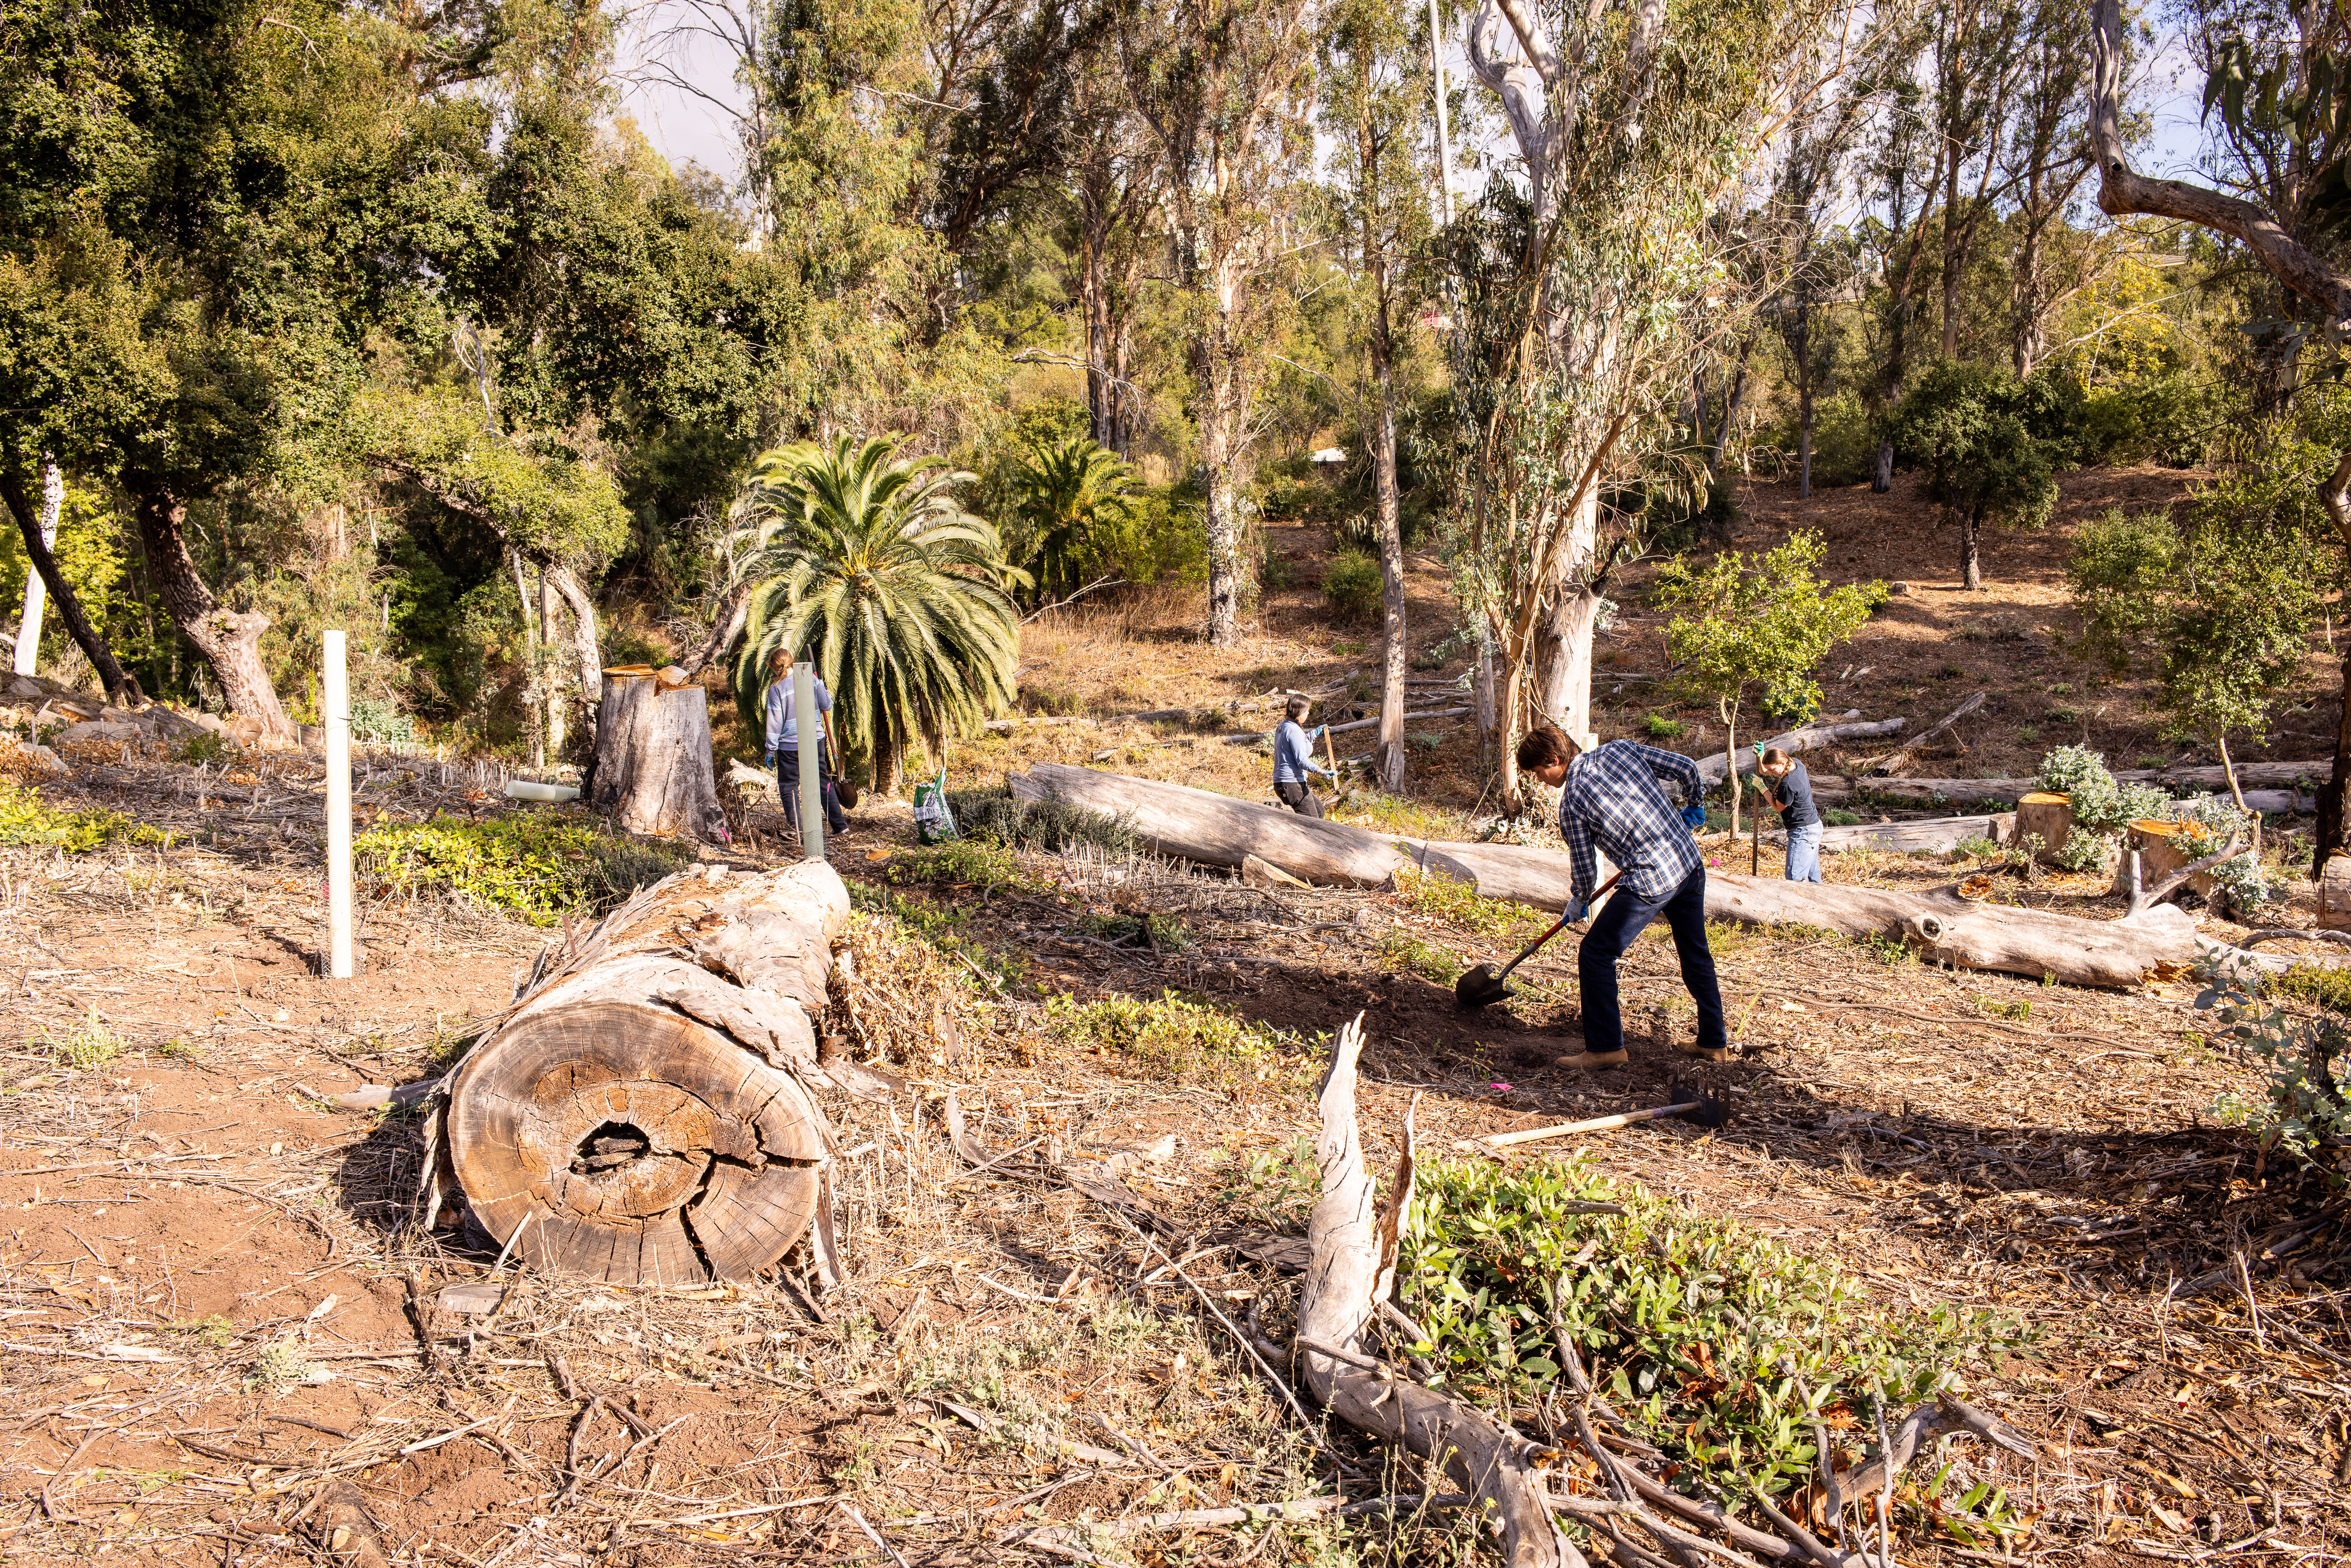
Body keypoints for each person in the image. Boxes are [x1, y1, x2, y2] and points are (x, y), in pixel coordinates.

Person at [1517, 725, 1729, 1069]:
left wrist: (1579, 900)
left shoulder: (1572, 803)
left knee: (1596, 953)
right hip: (1688, 864)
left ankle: (1605, 1048)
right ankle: (1714, 1042)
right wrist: (1695, 804)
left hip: (1651, 879)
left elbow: (1586, 871)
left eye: (1540, 772)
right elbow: (1688, 768)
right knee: (1696, 952)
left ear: (1554, 760)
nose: (1542, 780)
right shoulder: (1623, 750)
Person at [763, 653, 849, 838]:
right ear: (792, 661)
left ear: (772, 666)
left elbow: (775, 721)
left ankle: (798, 830)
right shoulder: (810, 677)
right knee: (822, 781)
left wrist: (770, 749)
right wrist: (820, 685)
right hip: (814, 739)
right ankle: (840, 826)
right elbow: (827, 705)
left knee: (789, 786)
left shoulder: (776, 688)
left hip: (789, 745)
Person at [1754, 746, 1822, 882]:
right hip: (1814, 826)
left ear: (1782, 764)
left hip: (1802, 832)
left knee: (1795, 880)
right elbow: (1766, 770)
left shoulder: (1788, 783)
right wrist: (1760, 757)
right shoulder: (1795, 763)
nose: (1771, 773)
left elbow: (1778, 807)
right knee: (1812, 879)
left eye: (1773, 769)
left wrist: (1762, 788)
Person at [1271, 695, 1335, 818]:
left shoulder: (1284, 726)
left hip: (1283, 782)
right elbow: (1302, 761)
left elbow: (1297, 745)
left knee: (1319, 811)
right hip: (1292, 783)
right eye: (1306, 711)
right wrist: (1321, 771)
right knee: (1313, 823)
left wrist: (1314, 734)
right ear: (1299, 712)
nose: (1308, 713)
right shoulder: (1294, 730)